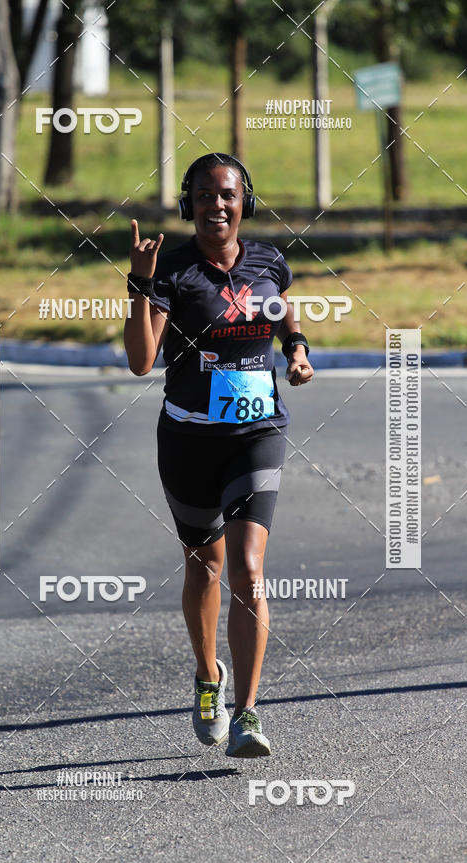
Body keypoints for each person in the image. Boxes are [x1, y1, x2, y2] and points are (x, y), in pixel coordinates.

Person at [123, 153, 313, 758]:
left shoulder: (267, 260)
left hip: (257, 432)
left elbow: (282, 307)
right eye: (204, 196)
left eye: (227, 194)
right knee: (203, 565)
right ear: (189, 206)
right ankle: (209, 678)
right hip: (187, 440)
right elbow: (139, 361)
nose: (217, 206)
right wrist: (141, 284)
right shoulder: (172, 271)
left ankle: (249, 713)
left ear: (245, 201)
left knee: (248, 569)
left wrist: (298, 349)